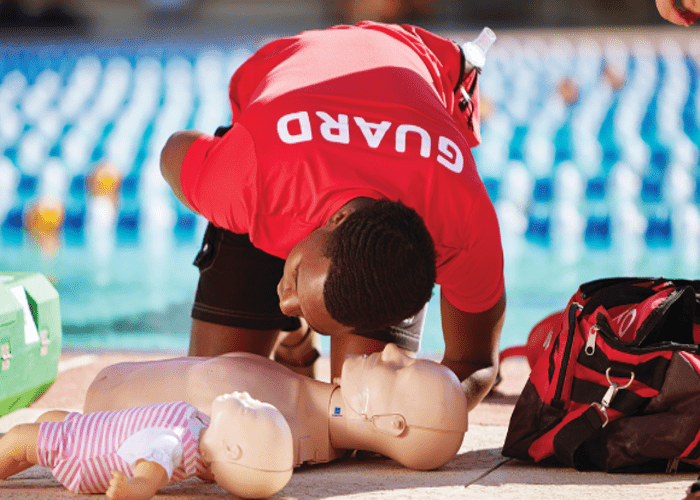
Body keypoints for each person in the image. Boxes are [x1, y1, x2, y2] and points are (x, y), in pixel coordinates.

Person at [159, 21, 506, 412]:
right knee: (211, 407)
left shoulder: (461, 227)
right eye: (294, 281)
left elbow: (475, 362)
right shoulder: (246, 180)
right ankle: (295, 337)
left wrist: (438, 411)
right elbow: (174, 149)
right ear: (335, 221)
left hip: (342, 189)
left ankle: (302, 322)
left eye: (294, 295)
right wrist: (208, 189)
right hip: (276, 148)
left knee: (365, 418)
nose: (283, 300)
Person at [84, 343, 469, 471]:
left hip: (99, 413)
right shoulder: (300, 403)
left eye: (401, 369)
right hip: (110, 391)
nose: (391, 350)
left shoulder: (269, 427)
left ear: (392, 424)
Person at [0, 392, 294, 499]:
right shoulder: (203, 434)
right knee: (45, 421)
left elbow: (148, 477)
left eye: (250, 407)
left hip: (81, 451)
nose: (247, 395)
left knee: (17, 438)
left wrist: (132, 490)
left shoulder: (171, 444)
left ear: (232, 449)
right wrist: (216, 467)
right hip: (91, 427)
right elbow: (210, 467)